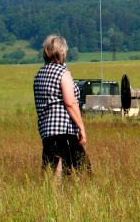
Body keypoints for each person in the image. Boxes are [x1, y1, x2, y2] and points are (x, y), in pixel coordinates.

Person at [34, 34, 90, 180]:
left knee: (51, 171)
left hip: (46, 131)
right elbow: (70, 103)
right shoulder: (62, 73)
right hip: (64, 131)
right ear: (62, 53)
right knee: (80, 171)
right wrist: (81, 128)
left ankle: (51, 200)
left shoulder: (39, 74)